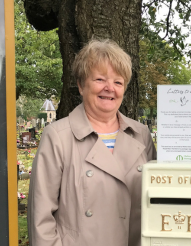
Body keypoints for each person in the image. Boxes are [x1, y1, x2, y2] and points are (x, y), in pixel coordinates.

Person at [28, 39, 157, 246]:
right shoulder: (57, 136)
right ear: (81, 85)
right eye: (99, 79)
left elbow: (156, 201)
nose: (110, 88)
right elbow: (41, 219)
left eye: (118, 82)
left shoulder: (141, 134)